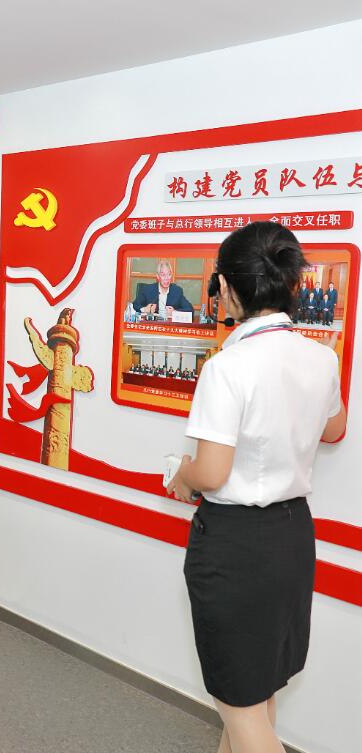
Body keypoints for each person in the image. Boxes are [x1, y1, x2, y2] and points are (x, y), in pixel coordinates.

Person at [167, 222, 347, 753]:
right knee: (258, 693)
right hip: (292, 539)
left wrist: (182, 473)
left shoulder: (227, 366)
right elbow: (335, 429)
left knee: (242, 711)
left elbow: (212, 473)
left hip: (235, 547)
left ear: (225, 287)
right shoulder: (321, 356)